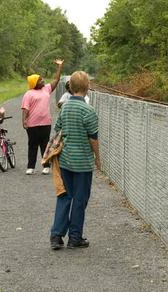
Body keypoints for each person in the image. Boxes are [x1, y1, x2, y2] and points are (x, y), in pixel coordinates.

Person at [49, 70, 100, 250]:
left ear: (70, 87)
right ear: (87, 87)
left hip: (65, 160)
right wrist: (98, 160)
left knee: (64, 196)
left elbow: (58, 130)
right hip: (83, 163)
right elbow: (93, 138)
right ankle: (75, 237)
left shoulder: (65, 107)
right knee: (80, 199)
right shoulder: (89, 110)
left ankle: (56, 235)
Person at [21, 58, 64, 175]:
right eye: (40, 80)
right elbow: (25, 108)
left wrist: (59, 66)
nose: (43, 80)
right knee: (32, 144)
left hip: (45, 123)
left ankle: (46, 165)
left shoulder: (47, 89)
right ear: (35, 83)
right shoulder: (28, 94)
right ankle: (31, 167)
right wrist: (24, 121)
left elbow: (56, 79)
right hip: (32, 124)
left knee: (45, 145)